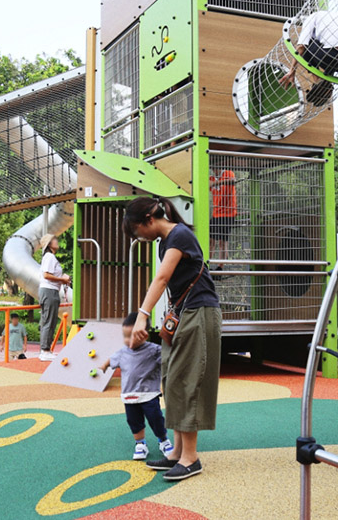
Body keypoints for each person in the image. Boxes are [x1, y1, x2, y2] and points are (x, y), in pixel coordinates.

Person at [124, 196, 221, 482]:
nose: (138, 237)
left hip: (199, 313)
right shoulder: (166, 241)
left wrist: (142, 315)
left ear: (149, 220)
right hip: (184, 314)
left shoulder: (179, 235)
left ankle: (191, 458)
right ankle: (177, 452)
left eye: (136, 230)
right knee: (174, 378)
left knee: (188, 379)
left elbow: (162, 278)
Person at [99, 312, 175, 461]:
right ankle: (140, 444)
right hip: (129, 396)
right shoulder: (122, 352)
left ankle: (163, 441)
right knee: (134, 421)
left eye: (131, 336)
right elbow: (111, 359)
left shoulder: (153, 350)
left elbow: (168, 357)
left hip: (149, 394)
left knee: (156, 418)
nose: (127, 340)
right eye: (125, 336)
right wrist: (104, 366)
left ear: (144, 335)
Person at [284, 10, 338, 105]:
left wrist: (292, 71)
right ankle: (324, 81)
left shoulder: (311, 18)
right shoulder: (337, 17)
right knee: (329, 51)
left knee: (306, 45)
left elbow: (301, 48)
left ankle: (318, 80)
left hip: (332, 58)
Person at [38, 235, 70, 362]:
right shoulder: (49, 257)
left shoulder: (50, 257)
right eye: (54, 240)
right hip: (49, 291)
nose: (57, 241)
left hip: (51, 290)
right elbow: (46, 275)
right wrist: (62, 279)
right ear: (49, 244)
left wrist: (62, 280)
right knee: (49, 321)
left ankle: (46, 350)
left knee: (49, 320)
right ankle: (45, 350)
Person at [208, 168, 237, 267]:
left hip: (228, 214)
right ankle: (206, 265)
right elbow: (205, 186)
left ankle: (221, 267)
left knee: (222, 241)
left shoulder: (228, 173)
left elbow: (233, 181)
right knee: (211, 240)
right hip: (216, 213)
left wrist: (215, 183)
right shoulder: (211, 178)